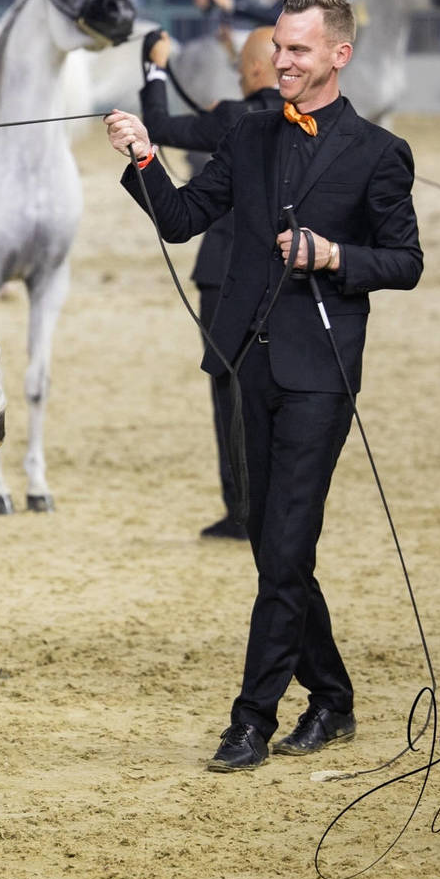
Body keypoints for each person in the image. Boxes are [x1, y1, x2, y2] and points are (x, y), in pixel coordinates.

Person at [104, 0, 423, 772]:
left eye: (298, 50)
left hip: (321, 374)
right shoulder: (248, 136)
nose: (279, 60)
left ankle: (251, 719)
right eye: (279, 47)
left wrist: (334, 256)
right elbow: (181, 219)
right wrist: (144, 157)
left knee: (282, 544)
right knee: (274, 546)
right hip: (251, 359)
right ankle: (334, 698)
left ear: (338, 56)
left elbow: (407, 263)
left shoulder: (380, 153)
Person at [139, 27, 283, 540]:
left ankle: (242, 508)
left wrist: (154, 66)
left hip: (225, 274)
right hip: (291, 275)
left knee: (231, 394)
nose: (241, 72)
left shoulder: (232, 118)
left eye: (244, 64)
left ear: (258, 70)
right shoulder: (316, 122)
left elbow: (156, 125)